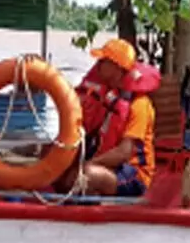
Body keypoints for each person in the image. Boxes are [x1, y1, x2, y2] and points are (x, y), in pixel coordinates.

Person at [61, 38, 158, 197]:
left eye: (104, 60)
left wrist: (89, 164)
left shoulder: (140, 104)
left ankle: (91, 207)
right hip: (107, 164)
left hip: (133, 174)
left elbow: (124, 152)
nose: (98, 63)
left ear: (117, 67)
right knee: (61, 173)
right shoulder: (106, 96)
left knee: (88, 175)